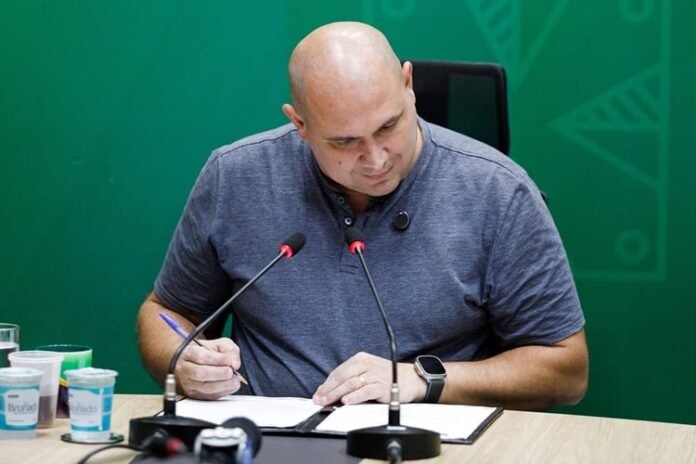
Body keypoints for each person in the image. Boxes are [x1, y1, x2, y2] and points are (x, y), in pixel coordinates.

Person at [137, 21, 588, 410]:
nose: (376, 159)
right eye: (344, 142)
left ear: (408, 85)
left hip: (423, 443)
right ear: (300, 124)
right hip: (264, 440)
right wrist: (183, 361)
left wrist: (422, 378)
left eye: (388, 126)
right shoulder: (236, 176)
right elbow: (166, 312)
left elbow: (566, 369)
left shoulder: (499, 191)